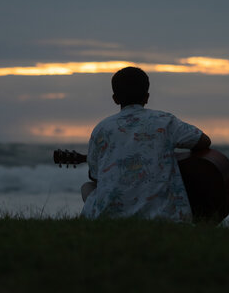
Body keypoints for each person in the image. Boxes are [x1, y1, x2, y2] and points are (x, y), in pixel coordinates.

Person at [81, 66, 211, 222]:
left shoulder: (101, 128)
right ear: (147, 97)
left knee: (87, 187)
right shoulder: (165, 121)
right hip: (165, 216)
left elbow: (96, 176)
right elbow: (203, 141)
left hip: (110, 217)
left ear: (115, 98)